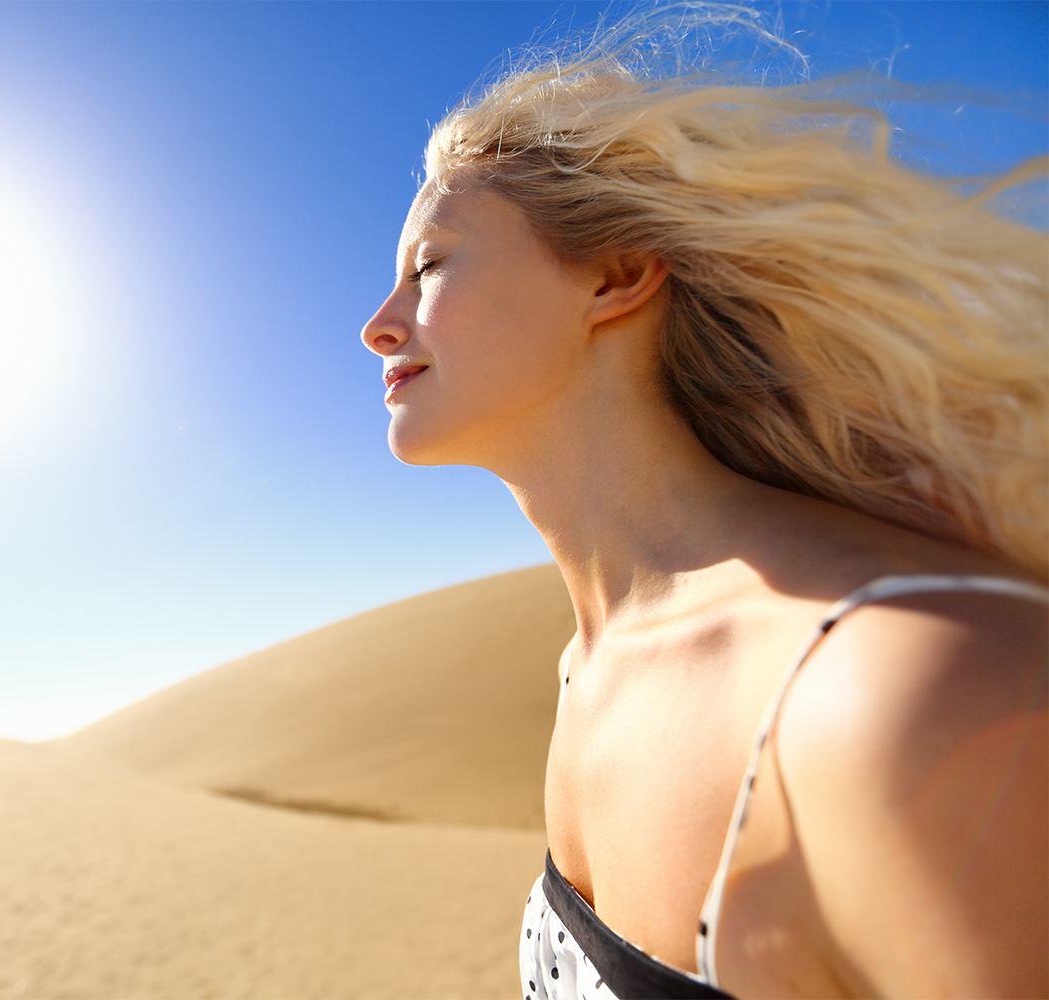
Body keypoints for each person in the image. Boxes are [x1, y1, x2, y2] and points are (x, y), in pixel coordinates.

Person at [360, 12, 1047, 1000]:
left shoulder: (892, 688)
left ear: (615, 274)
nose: (378, 326)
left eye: (428, 267)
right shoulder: (586, 667)